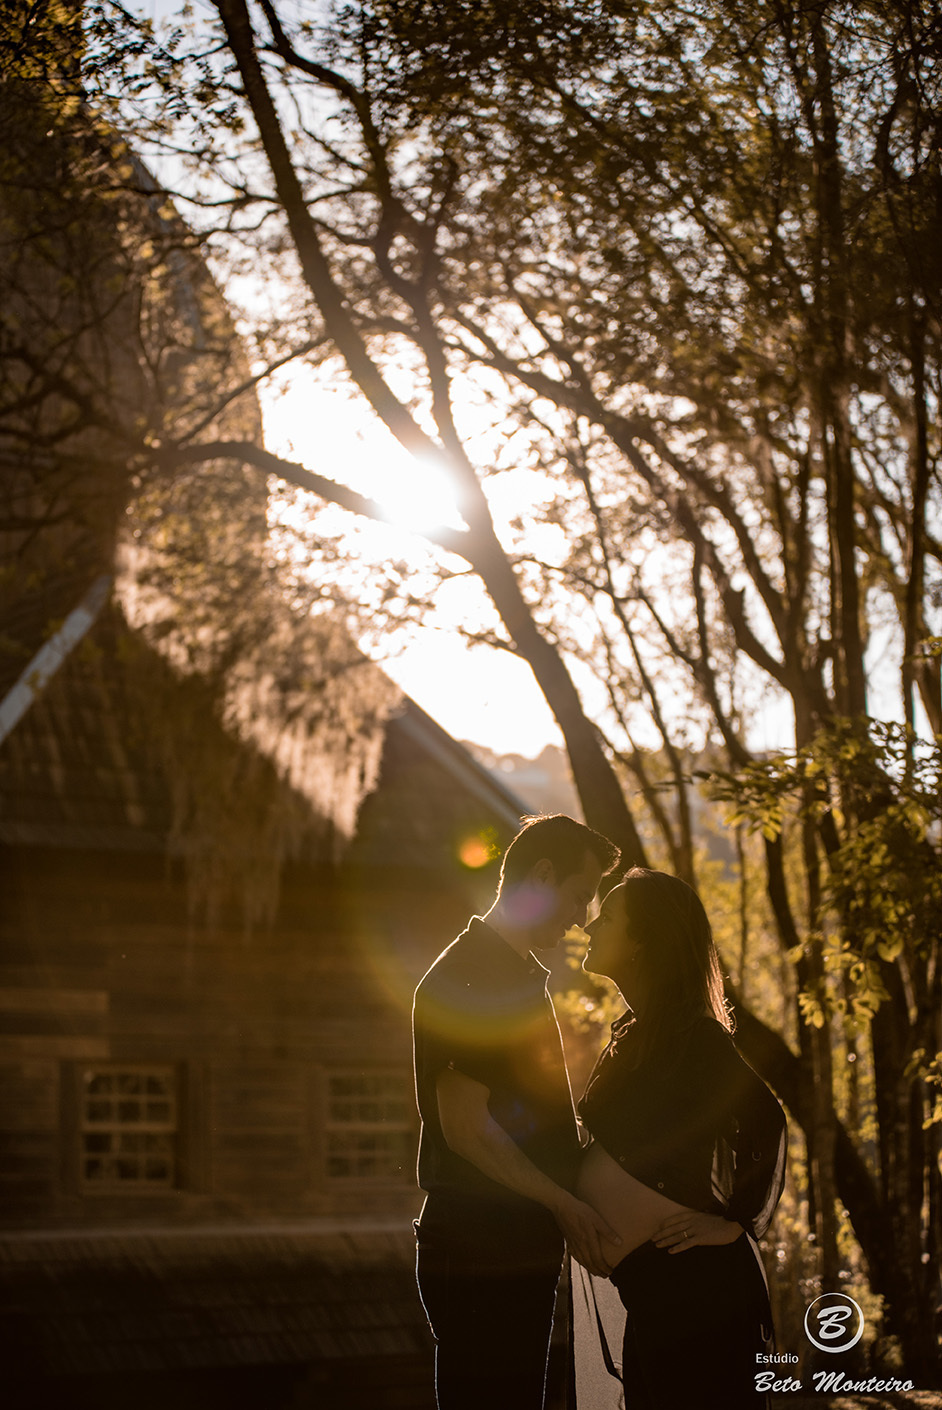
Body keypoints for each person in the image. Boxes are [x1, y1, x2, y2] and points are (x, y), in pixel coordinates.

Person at [412, 814, 622, 1410]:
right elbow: (467, 1130)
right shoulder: (469, 976)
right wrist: (563, 1203)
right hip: (479, 1248)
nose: (582, 915)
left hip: (511, 1246)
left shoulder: (519, 975)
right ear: (543, 875)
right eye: (581, 894)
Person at [573, 867, 787, 1410]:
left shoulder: (693, 1036)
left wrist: (735, 1220)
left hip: (696, 1290)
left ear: (644, 941)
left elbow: (765, 1119)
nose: (591, 927)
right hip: (655, 1288)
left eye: (610, 917)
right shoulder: (638, 1033)